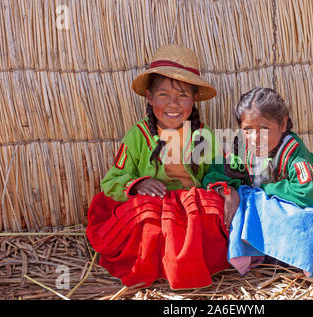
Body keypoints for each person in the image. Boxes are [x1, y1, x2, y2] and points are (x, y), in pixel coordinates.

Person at [86, 44, 230, 290]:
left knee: (213, 208)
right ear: (150, 97)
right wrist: (138, 184)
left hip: (189, 206)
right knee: (149, 215)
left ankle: (189, 266)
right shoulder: (138, 136)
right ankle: (158, 266)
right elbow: (112, 181)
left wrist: (217, 189)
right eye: (163, 94)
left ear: (194, 100)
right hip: (154, 203)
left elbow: (218, 171)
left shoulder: (203, 135)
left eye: (183, 95)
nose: (173, 104)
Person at [202, 87, 313, 277]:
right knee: (237, 203)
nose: (256, 138)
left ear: (283, 124)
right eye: (248, 130)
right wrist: (228, 191)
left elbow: (308, 193)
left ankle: (298, 257)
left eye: (264, 128)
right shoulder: (242, 149)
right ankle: (261, 255)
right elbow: (215, 174)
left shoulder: (292, 151)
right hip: (268, 216)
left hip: (297, 212)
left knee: (311, 222)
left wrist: (266, 188)